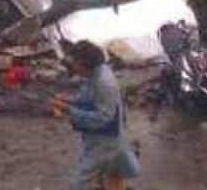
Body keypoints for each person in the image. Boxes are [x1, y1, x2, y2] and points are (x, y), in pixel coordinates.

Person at [50, 41, 140, 190]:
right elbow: (89, 95)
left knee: (81, 180)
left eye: (75, 63)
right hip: (103, 134)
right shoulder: (95, 73)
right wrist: (71, 100)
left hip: (105, 138)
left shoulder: (104, 83)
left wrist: (69, 110)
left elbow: (103, 118)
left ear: (84, 63)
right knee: (122, 165)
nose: (72, 67)